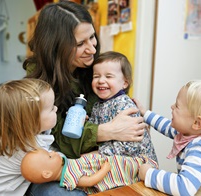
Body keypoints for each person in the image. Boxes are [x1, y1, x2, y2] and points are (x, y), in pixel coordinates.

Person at [23, 2, 147, 195]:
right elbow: (55, 137)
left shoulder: (97, 68)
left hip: (102, 158)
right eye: (80, 44)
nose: (91, 48)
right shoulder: (38, 83)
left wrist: (133, 117)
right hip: (59, 160)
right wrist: (108, 130)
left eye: (92, 37)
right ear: (56, 47)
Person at [134, 80, 201, 195]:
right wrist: (145, 113)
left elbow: (184, 188)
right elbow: (166, 125)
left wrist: (148, 174)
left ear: (197, 123)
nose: (172, 107)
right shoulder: (188, 133)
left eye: (177, 106)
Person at [0, 79, 58, 196]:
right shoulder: (28, 149)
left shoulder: (13, 135)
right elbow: (55, 170)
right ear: (31, 122)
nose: (56, 108)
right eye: (51, 108)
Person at [89, 51, 157, 162]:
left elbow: (130, 146)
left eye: (108, 76)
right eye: (96, 76)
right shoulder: (97, 105)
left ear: (124, 83)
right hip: (114, 161)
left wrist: (98, 153)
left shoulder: (125, 106)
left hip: (138, 165)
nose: (101, 80)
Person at [21, 148, 158, 194]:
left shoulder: (62, 166)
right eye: (50, 156)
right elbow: (89, 181)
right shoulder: (68, 177)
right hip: (106, 174)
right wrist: (104, 170)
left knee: (123, 162)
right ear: (47, 174)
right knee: (124, 171)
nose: (53, 152)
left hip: (99, 163)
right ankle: (148, 173)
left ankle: (145, 168)